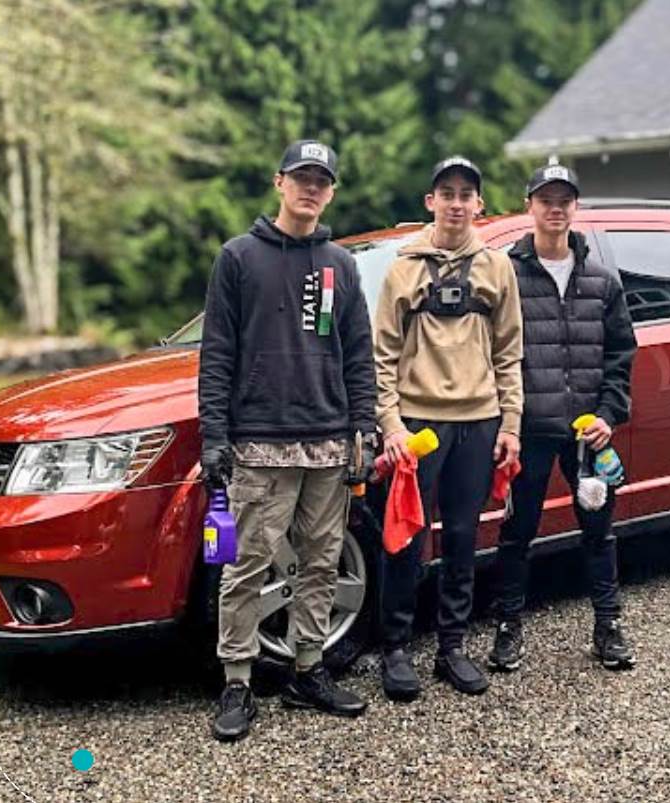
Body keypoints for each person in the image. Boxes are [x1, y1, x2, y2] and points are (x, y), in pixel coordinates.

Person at [198, 139, 378, 742]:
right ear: (279, 182)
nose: (310, 188)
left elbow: (358, 354)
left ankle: (308, 669)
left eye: (321, 180)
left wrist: (365, 428)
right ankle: (238, 681)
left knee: (321, 561)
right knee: (245, 565)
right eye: (301, 177)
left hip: (328, 442)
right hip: (257, 444)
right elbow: (217, 353)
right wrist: (214, 436)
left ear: (331, 191)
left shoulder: (341, 264)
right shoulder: (238, 258)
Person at [373, 156, 523, 700]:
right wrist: (390, 426)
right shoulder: (402, 268)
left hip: (478, 424)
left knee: (462, 538)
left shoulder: (496, 267)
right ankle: (395, 648)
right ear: (429, 201)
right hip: (416, 425)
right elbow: (381, 356)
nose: (456, 202)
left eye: (466, 194)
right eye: (446, 193)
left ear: (479, 204)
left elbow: (510, 354)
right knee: (405, 539)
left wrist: (511, 424)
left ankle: (452, 647)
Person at [488, 161, 637, 673]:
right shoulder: (504, 274)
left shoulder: (602, 280)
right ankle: (508, 627)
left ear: (575, 208)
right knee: (517, 532)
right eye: (545, 199)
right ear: (529, 205)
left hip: (586, 434)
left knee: (599, 531)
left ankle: (608, 626)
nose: (555, 208)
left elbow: (621, 355)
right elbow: (489, 352)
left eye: (564, 200)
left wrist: (608, 415)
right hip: (528, 429)